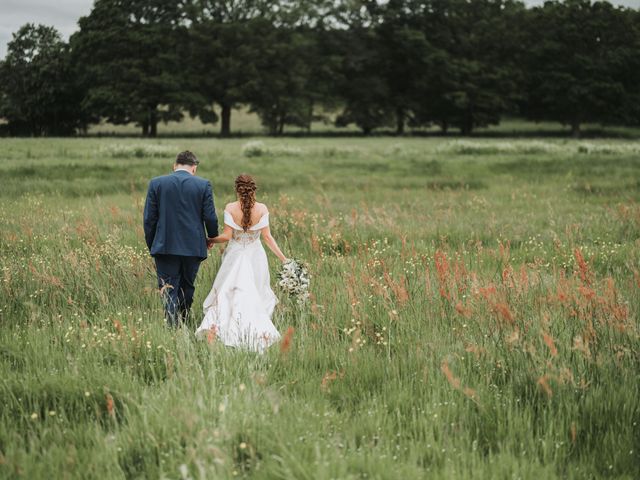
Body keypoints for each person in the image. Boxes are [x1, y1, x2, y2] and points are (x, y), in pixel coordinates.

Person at [195, 174, 287, 352]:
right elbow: (268, 238)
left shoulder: (231, 207)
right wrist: (284, 259)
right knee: (256, 293)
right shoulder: (262, 208)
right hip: (255, 256)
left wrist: (209, 239)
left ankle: (225, 330)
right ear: (253, 189)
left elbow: (227, 236)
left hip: (235, 256)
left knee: (228, 293)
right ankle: (254, 331)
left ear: (237, 189)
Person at [143, 151, 218, 328]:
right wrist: (211, 238)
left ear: (174, 165)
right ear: (194, 168)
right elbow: (211, 218)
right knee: (187, 286)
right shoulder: (203, 184)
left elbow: (149, 219)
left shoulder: (156, 183)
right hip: (193, 247)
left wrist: (153, 243)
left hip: (164, 246)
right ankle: (183, 320)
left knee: (168, 288)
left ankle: (172, 326)